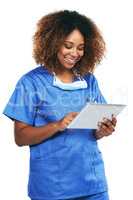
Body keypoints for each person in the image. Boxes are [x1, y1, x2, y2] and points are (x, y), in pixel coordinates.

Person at [3, 10, 117, 200]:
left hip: (93, 184)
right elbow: (20, 137)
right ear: (53, 43)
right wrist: (57, 125)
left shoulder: (89, 80)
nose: (75, 53)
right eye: (68, 46)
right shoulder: (31, 83)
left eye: (80, 47)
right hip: (52, 188)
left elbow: (93, 131)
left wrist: (103, 130)